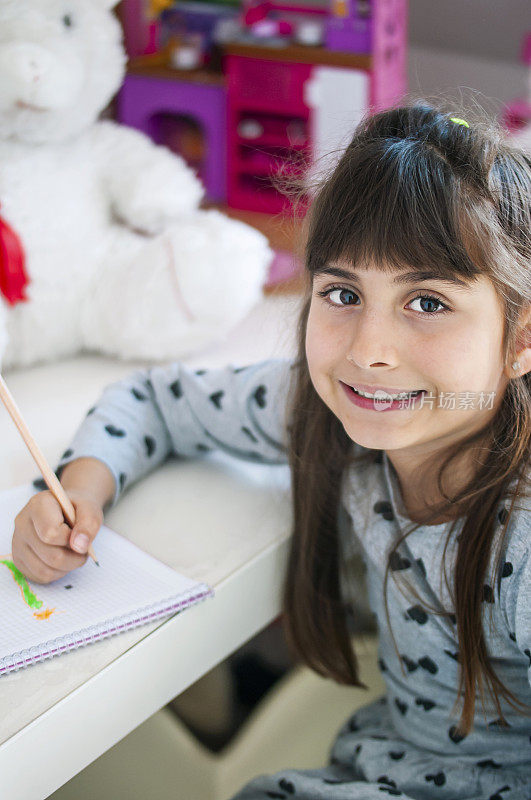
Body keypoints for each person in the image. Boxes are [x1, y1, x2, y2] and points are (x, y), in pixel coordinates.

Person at [12, 102, 531, 799]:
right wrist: (78, 488)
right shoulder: (323, 409)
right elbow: (157, 400)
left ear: (520, 339)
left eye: (428, 303)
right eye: (342, 293)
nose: (368, 352)